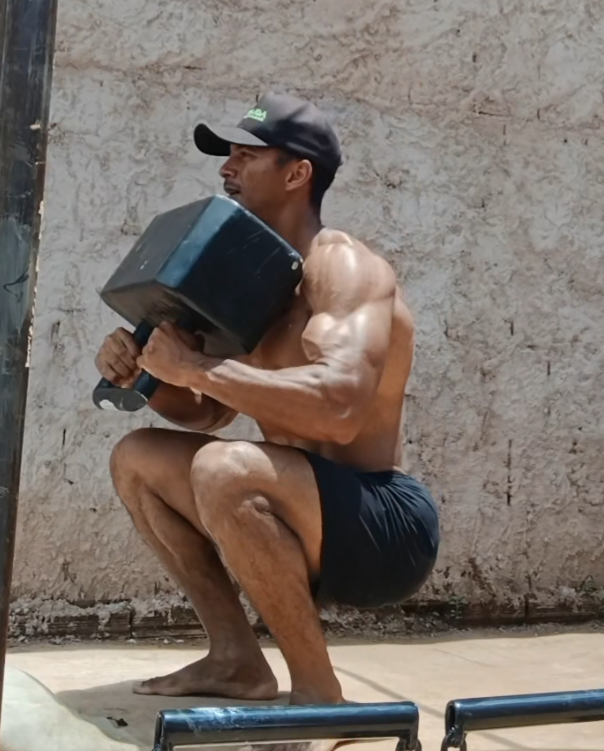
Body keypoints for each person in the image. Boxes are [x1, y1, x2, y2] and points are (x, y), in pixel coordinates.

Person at [96, 94, 439, 705]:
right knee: (138, 458)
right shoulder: (250, 280)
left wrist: (197, 366)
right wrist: (149, 375)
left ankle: (318, 695)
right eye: (227, 156)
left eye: (246, 156)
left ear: (297, 173)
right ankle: (235, 660)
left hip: (382, 526)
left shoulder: (345, 267)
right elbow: (207, 412)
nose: (227, 169)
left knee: (224, 466)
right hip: (293, 511)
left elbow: (340, 405)